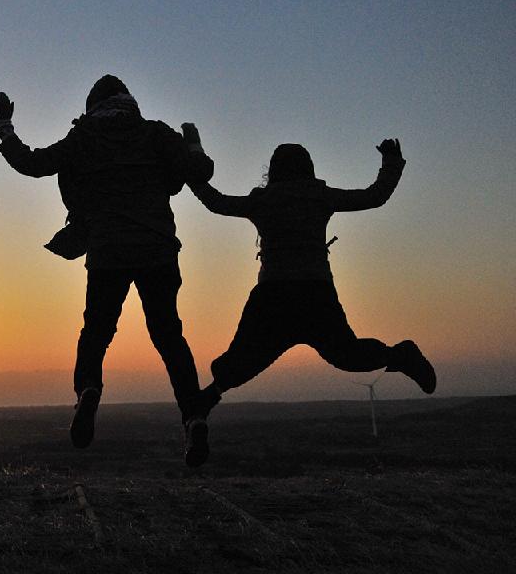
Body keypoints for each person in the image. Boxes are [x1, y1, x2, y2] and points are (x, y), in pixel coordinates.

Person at [0, 76, 215, 465]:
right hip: (157, 249)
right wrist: (192, 139)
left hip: (107, 250)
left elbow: (32, 163)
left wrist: (5, 127)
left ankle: (88, 391)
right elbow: (200, 170)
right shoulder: (155, 134)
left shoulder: (83, 138)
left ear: (92, 105)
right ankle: (194, 417)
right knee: (169, 337)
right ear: (129, 102)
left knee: (96, 333)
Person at [184, 131, 436, 422]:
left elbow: (215, 201)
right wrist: (391, 162)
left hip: (274, 295)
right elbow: (374, 196)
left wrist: (190, 171)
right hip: (315, 293)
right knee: (347, 355)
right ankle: (399, 356)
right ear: (309, 168)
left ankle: (209, 397)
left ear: (273, 171)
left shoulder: (263, 200)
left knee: (246, 358)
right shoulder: (320, 197)